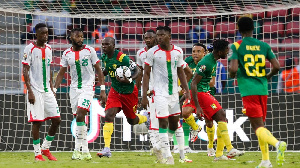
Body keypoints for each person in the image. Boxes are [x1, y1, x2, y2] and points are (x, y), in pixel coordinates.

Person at [229, 16, 286, 168]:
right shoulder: (264, 45)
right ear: (253, 28)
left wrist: (232, 75)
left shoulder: (236, 46)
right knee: (261, 126)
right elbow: (277, 67)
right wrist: (266, 77)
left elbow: (233, 69)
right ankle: (265, 161)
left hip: (248, 90)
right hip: (263, 89)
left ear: (238, 29)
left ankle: (277, 143)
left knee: (258, 127)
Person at [183, 39, 245, 161]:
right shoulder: (206, 62)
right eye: (226, 49)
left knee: (221, 118)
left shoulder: (214, 60)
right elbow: (194, 84)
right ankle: (229, 149)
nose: (228, 52)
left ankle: (219, 154)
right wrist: (198, 106)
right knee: (221, 117)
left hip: (204, 92)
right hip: (200, 93)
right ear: (220, 50)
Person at [136, 29, 192, 163]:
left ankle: (161, 147)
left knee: (174, 124)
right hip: (159, 93)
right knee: (163, 122)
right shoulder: (152, 53)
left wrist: (186, 89)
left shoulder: (178, 51)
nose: (159, 38)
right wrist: (143, 96)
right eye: (158, 35)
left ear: (169, 36)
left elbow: (180, 72)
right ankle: (168, 157)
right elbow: (146, 74)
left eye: (162, 35)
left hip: (173, 94)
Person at [54, 28, 107, 160]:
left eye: (82, 36)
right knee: (79, 120)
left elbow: (99, 70)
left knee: (80, 115)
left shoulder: (90, 51)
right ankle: (85, 152)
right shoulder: (66, 53)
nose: (80, 38)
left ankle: (77, 150)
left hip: (88, 88)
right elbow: (61, 72)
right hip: (73, 90)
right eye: (77, 36)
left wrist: (102, 89)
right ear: (71, 38)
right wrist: (54, 89)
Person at [96, 37, 147, 158]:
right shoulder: (104, 57)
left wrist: (128, 79)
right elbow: (108, 69)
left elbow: (138, 71)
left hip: (129, 92)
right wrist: (99, 76)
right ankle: (107, 148)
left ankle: (146, 118)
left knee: (132, 120)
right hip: (115, 91)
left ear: (113, 45)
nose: (104, 47)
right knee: (109, 115)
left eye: (107, 44)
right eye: (103, 44)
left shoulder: (122, 57)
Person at [22, 23, 61, 161]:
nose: (45, 36)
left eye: (47, 33)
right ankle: (37, 153)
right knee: (37, 122)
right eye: (42, 33)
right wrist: (29, 91)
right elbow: (25, 71)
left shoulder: (49, 48)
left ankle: (46, 147)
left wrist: (51, 87)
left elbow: (49, 68)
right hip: (35, 90)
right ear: (36, 34)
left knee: (57, 120)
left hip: (47, 90)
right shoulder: (30, 48)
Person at [182, 43, 217, 156]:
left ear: (204, 53)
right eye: (193, 51)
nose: (195, 54)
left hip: (205, 93)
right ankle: (196, 128)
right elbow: (182, 73)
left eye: (198, 51)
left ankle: (211, 147)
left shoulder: (209, 63)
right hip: (192, 94)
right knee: (185, 112)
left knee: (209, 121)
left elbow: (212, 83)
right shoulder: (188, 61)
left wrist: (195, 80)